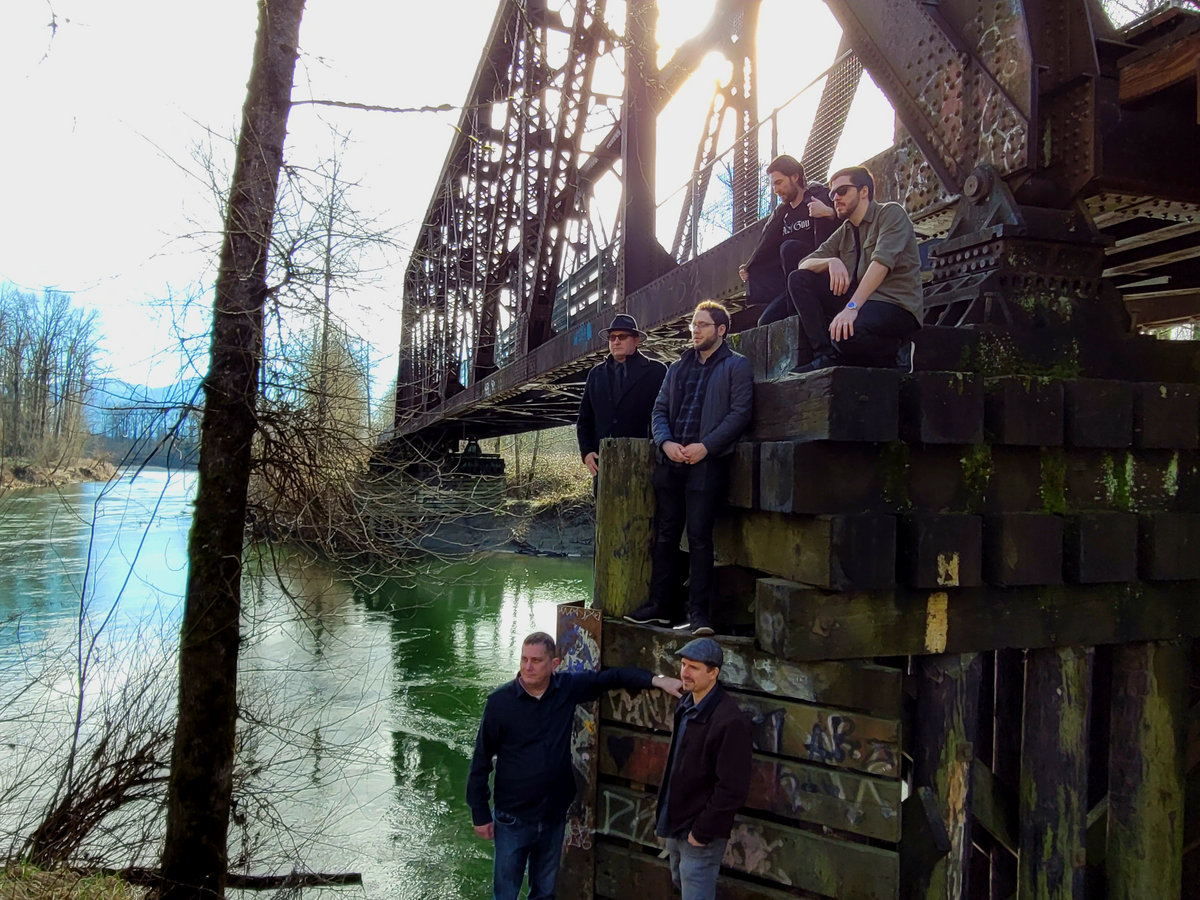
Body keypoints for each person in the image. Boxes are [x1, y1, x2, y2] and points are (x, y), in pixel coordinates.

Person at [467, 631, 684, 900]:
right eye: (524, 659)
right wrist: (480, 813)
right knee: (506, 893)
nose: (528, 667)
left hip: (553, 816)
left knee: (545, 892)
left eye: (536, 660)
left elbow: (611, 679)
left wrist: (659, 681)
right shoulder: (500, 703)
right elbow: (481, 761)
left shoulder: (565, 689)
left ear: (554, 664)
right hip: (513, 818)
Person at [624, 301, 753, 635]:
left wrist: (706, 446)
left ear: (721, 330)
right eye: (693, 325)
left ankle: (698, 614)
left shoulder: (736, 367)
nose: (694, 330)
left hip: (707, 464)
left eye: (702, 325)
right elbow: (659, 411)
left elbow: (740, 414)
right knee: (665, 535)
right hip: (672, 460)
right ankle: (660, 607)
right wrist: (665, 444)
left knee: (699, 539)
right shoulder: (678, 367)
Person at [785, 164, 923, 373]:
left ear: (864, 191)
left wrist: (851, 308)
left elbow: (881, 264)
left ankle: (897, 351)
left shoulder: (890, 213)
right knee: (799, 279)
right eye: (832, 193)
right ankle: (826, 356)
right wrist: (831, 261)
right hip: (862, 304)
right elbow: (803, 264)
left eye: (842, 191)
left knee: (845, 336)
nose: (835, 198)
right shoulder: (845, 231)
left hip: (895, 305)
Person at [655, 637, 753, 900]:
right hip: (677, 823)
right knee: (680, 882)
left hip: (699, 832)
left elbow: (732, 788)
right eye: (684, 664)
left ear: (713, 673)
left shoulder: (730, 721)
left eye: (694, 667)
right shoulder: (686, 705)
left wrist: (701, 832)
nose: (685, 672)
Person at [737, 154, 837, 328]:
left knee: (789, 248)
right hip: (792, 288)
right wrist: (751, 268)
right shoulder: (781, 214)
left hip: (821, 276)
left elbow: (851, 226)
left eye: (779, 182)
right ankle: (795, 315)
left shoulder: (819, 198)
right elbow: (767, 248)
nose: (776, 190)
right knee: (765, 321)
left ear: (795, 177)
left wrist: (830, 213)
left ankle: (799, 318)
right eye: (773, 184)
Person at [576, 313, 667, 482]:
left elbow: (665, 416)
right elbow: (584, 419)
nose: (616, 341)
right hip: (603, 465)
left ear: (636, 340)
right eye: (612, 338)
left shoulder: (656, 371)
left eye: (622, 337)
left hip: (643, 463)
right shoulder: (596, 374)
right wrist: (586, 452)